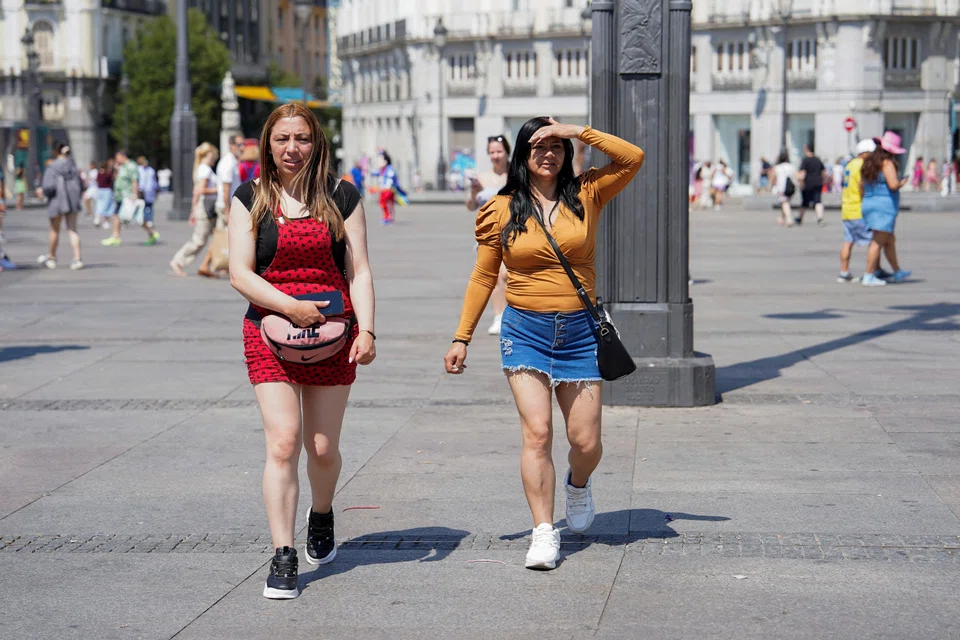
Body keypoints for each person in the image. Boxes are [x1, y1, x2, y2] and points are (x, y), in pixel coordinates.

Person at [444, 116, 644, 570]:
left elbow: (633, 158)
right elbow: (483, 275)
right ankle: (542, 531)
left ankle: (578, 484)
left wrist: (579, 130)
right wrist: (463, 336)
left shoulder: (588, 193)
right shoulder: (501, 208)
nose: (548, 153)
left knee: (585, 441)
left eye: (556, 145)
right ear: (522, 154)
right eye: (538, 146)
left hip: (579, 333)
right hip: (525, 331)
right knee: (537, 433)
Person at [228, 103, 376, 599]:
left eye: (302, 139)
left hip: (335, 332)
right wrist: (291, 307)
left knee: (322, 448)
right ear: (268, 145)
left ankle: (322, 512)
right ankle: (283, 555)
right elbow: (240, 274)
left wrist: (368, 330)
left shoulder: (342, 195)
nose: (292, 149)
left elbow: (359, 272)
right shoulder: (249, 198)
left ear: (318, 144)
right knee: (283, 443)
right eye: (282, 139)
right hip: (268, 332)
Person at [466, 135, 511, 335]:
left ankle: (511, 314)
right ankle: (499, 315)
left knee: (508, 275)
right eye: (492, 152)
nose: (495, 156)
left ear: (507, 152)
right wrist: (474, 192)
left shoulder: (516, 175)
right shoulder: (483, 178)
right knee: (493, 276)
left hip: (513, 231)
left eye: (499, 151)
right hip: (488, 234)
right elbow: (471, 206)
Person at [860, 132, 911, 286]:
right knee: (878, 241)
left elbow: (861, 186)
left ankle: (897, 271)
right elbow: (893, 185)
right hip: (884, 206)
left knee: (889, 239)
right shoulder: (887, 163)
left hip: (869, 203)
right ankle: (869, 275)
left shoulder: (869, 163)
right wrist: (903, 182)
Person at [195, 134, 244, 277]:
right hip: (226, 205)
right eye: (239, 145)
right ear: (231, 146)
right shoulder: (228, 163)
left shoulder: (233, 162)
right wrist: (228, 211)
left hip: (228, 204)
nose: (242, 148)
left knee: (221, 235)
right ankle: (211, 264)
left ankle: (207, 264)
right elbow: (226, 189)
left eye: (243, 145)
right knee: (224, 235)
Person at [170, 143, 219, 277]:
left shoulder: (201, 169)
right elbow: (201, 190)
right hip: (207, 207)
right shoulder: (206, 170)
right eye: (213, 156)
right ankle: (178, 261)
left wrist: (193, 209)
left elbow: (195, 192)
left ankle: (216, 263)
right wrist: (219, 188)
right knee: (199, 240)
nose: (214, 159)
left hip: (205, 207)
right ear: (207, 156)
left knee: (218, 236)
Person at [838, 139, 882, 282]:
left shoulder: (849, 165)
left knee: (847, 241)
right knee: (874, 242)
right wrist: (867, 199)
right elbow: (861, 184)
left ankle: (844, 272)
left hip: (846, 209)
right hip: (858, 209)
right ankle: (873, 272)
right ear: (865, 153)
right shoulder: (862, 165)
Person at [36, 142, 84, 270]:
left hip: (57, 201)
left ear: (55, 151)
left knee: (54, 230)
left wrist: (42, 192)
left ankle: (52, 258)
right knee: (73, 229)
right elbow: (81, 183)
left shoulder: (53, 166)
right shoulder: (72, 165)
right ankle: (77, 258)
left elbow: (48, 186)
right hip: (72, 201)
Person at [102, 149, 157, 246]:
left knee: (138, 218)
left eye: (117, 157)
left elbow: (134, 180)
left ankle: (151, 233)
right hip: (120, 196)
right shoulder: (121, 167)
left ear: (123, 156)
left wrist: (134, 194)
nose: (116, 159)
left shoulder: (131, 165)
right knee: (116, 215)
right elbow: (116, 179)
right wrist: (115, 169)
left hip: (128, 196)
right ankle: (116, 236)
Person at [796, 144, 826, 226]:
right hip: (818, 182)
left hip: (808, 183)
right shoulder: (818, 159)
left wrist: (801, 183)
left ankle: (800, 218)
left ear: (807, 149)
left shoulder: (805, 160)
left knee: (805, 202)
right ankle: (820, 218)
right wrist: (823, 181)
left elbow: (802, 173)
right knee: (818, 201)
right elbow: (824, 172)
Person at [137, 156, 160, 242]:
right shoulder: (138, 169)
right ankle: (146, 221)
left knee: (149, 206)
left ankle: (149, 220)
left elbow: (153, 180)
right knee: (143, 206)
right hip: (142, 190)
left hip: (150, 190)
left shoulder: (151, 170)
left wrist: (156, 188)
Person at [377, 151, 403, 224]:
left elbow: (393, 179)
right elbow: (376, 173)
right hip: (384, 190)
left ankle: (388, 217)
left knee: (385, 203)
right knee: (388, 203)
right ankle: (389, 217)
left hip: (388, 190)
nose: (378, 163)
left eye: (380, 161)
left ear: (385, 161)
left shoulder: (389, 170)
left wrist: (398, 188)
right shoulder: (382, 170)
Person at [773, 151, 796, 226]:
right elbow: (797, 175)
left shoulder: (777, 167)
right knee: (785, 202)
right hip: (791, 187)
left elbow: (773, 177)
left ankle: (789, 219)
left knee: (785, 203)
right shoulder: (791, 166)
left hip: (781, 187)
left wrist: (772, 186)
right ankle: (781, 218)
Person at [94, 160, 114, 229]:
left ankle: (97, 218)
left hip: (100, 190)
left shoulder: (99, 173)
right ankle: (106, 222)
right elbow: (112, 180)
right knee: (107, 206)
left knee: (99, 204)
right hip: (107, 190)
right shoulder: (108, 173)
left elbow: (96, 180)